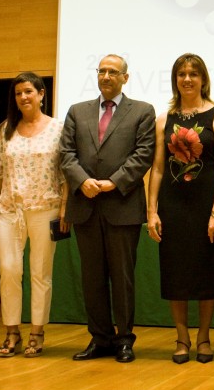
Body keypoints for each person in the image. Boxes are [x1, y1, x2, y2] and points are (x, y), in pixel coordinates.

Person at [61, 54, 156, 363]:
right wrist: (83, 181)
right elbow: (66, 153)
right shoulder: (77, 111)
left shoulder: (142, 111)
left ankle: (125, 340)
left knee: (123, 276)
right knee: (92, 278)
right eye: (101, 71)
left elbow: (143, 154)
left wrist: (113, 182)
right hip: (85, 205)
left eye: (112, 72)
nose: (105, 76)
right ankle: (100, 338)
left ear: (125, 78)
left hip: (122, 205)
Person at [147, 54, 214, 364]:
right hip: (173, 207)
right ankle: (182, 338)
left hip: (206, 206)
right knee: (176, 274)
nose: (187, 78)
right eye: (181, 73)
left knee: (207, 272)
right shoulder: (163, 119)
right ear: (175, 79)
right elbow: (157, 168)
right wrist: (152, 210)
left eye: (193, 73)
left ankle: (204, 337)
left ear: (203, 78)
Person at [0, 72, 67, 358]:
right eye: (18, 93)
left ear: (42, 94)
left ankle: (37, 332)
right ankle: (12, 331)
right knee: (8, 270)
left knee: (40, 273)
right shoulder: (6, 129)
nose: (23, 97)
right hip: (10, 209)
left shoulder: (58, 129)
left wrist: (66, 206)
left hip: (46, 207)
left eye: (29, 91)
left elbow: (66, 172)